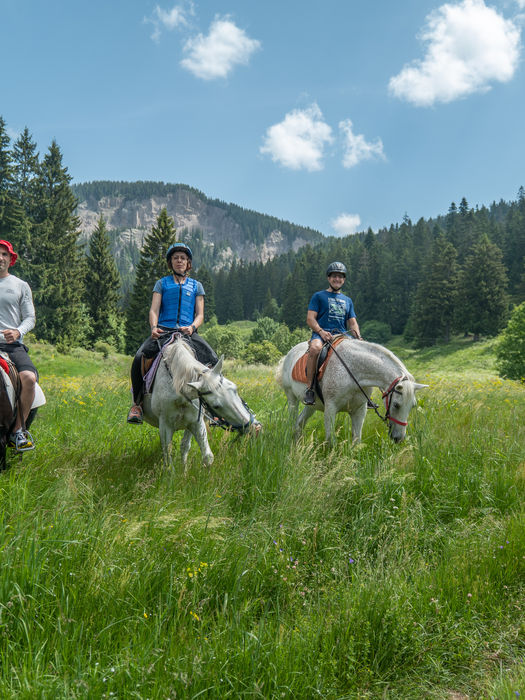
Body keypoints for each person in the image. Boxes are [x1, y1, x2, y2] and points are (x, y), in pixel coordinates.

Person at [127, 243, 218, 424]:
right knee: (138, 358)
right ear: (171, 262)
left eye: (183, 258)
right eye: (175, 258)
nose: (179, 261)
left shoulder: (196, 286)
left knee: (213, 360)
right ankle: (137, 405)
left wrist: (192, 327)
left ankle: (213, 409)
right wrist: (154, 327)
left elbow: (200, 315)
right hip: (163, 331)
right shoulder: (162, 283)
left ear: (188, 263)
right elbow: (154, 310)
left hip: (187, 332)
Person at [303, 261, 362, 405]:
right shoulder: (318, 296)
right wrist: (321, 332)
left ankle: (362, 394)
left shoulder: (348, 300)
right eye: (334, 276)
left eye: (340, 276)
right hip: (321, 334)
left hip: (342, 336)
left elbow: (352, 322)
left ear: (344, 280)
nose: (337, 279)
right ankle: (310, 389)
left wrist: (358, 337)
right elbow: (310, 319)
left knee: (361, 353)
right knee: (315, 349)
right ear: (328, 278)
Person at [0, 239, 37, 451]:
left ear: (10, 259)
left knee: (29, 378)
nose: (0, 258)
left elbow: (30, 318)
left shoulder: (20, 285)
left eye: (4, 254)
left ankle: (18, 431)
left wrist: (18, 331)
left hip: (12, 346)